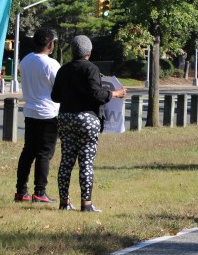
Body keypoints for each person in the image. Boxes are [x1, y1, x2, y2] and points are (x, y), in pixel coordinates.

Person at [50, 35, 127, 212]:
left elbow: (55, 96)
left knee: (66, 161)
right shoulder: (91, 69)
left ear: (72, 51)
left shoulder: (63, 69)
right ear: (89, 53)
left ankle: (64, 202)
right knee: (86, 162)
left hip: (66, 118)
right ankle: (86, 204)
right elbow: (97, 95)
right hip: (87, 119)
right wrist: (115, 94)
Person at [14, 28, 60, 203]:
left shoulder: (26, 60)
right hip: (48, 113)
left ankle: (21, 191)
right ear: (50, 44)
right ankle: (40, 191)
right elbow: (59, 87)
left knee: (28, 151)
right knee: (44, 153)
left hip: (30, 111)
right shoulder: (51, 64)